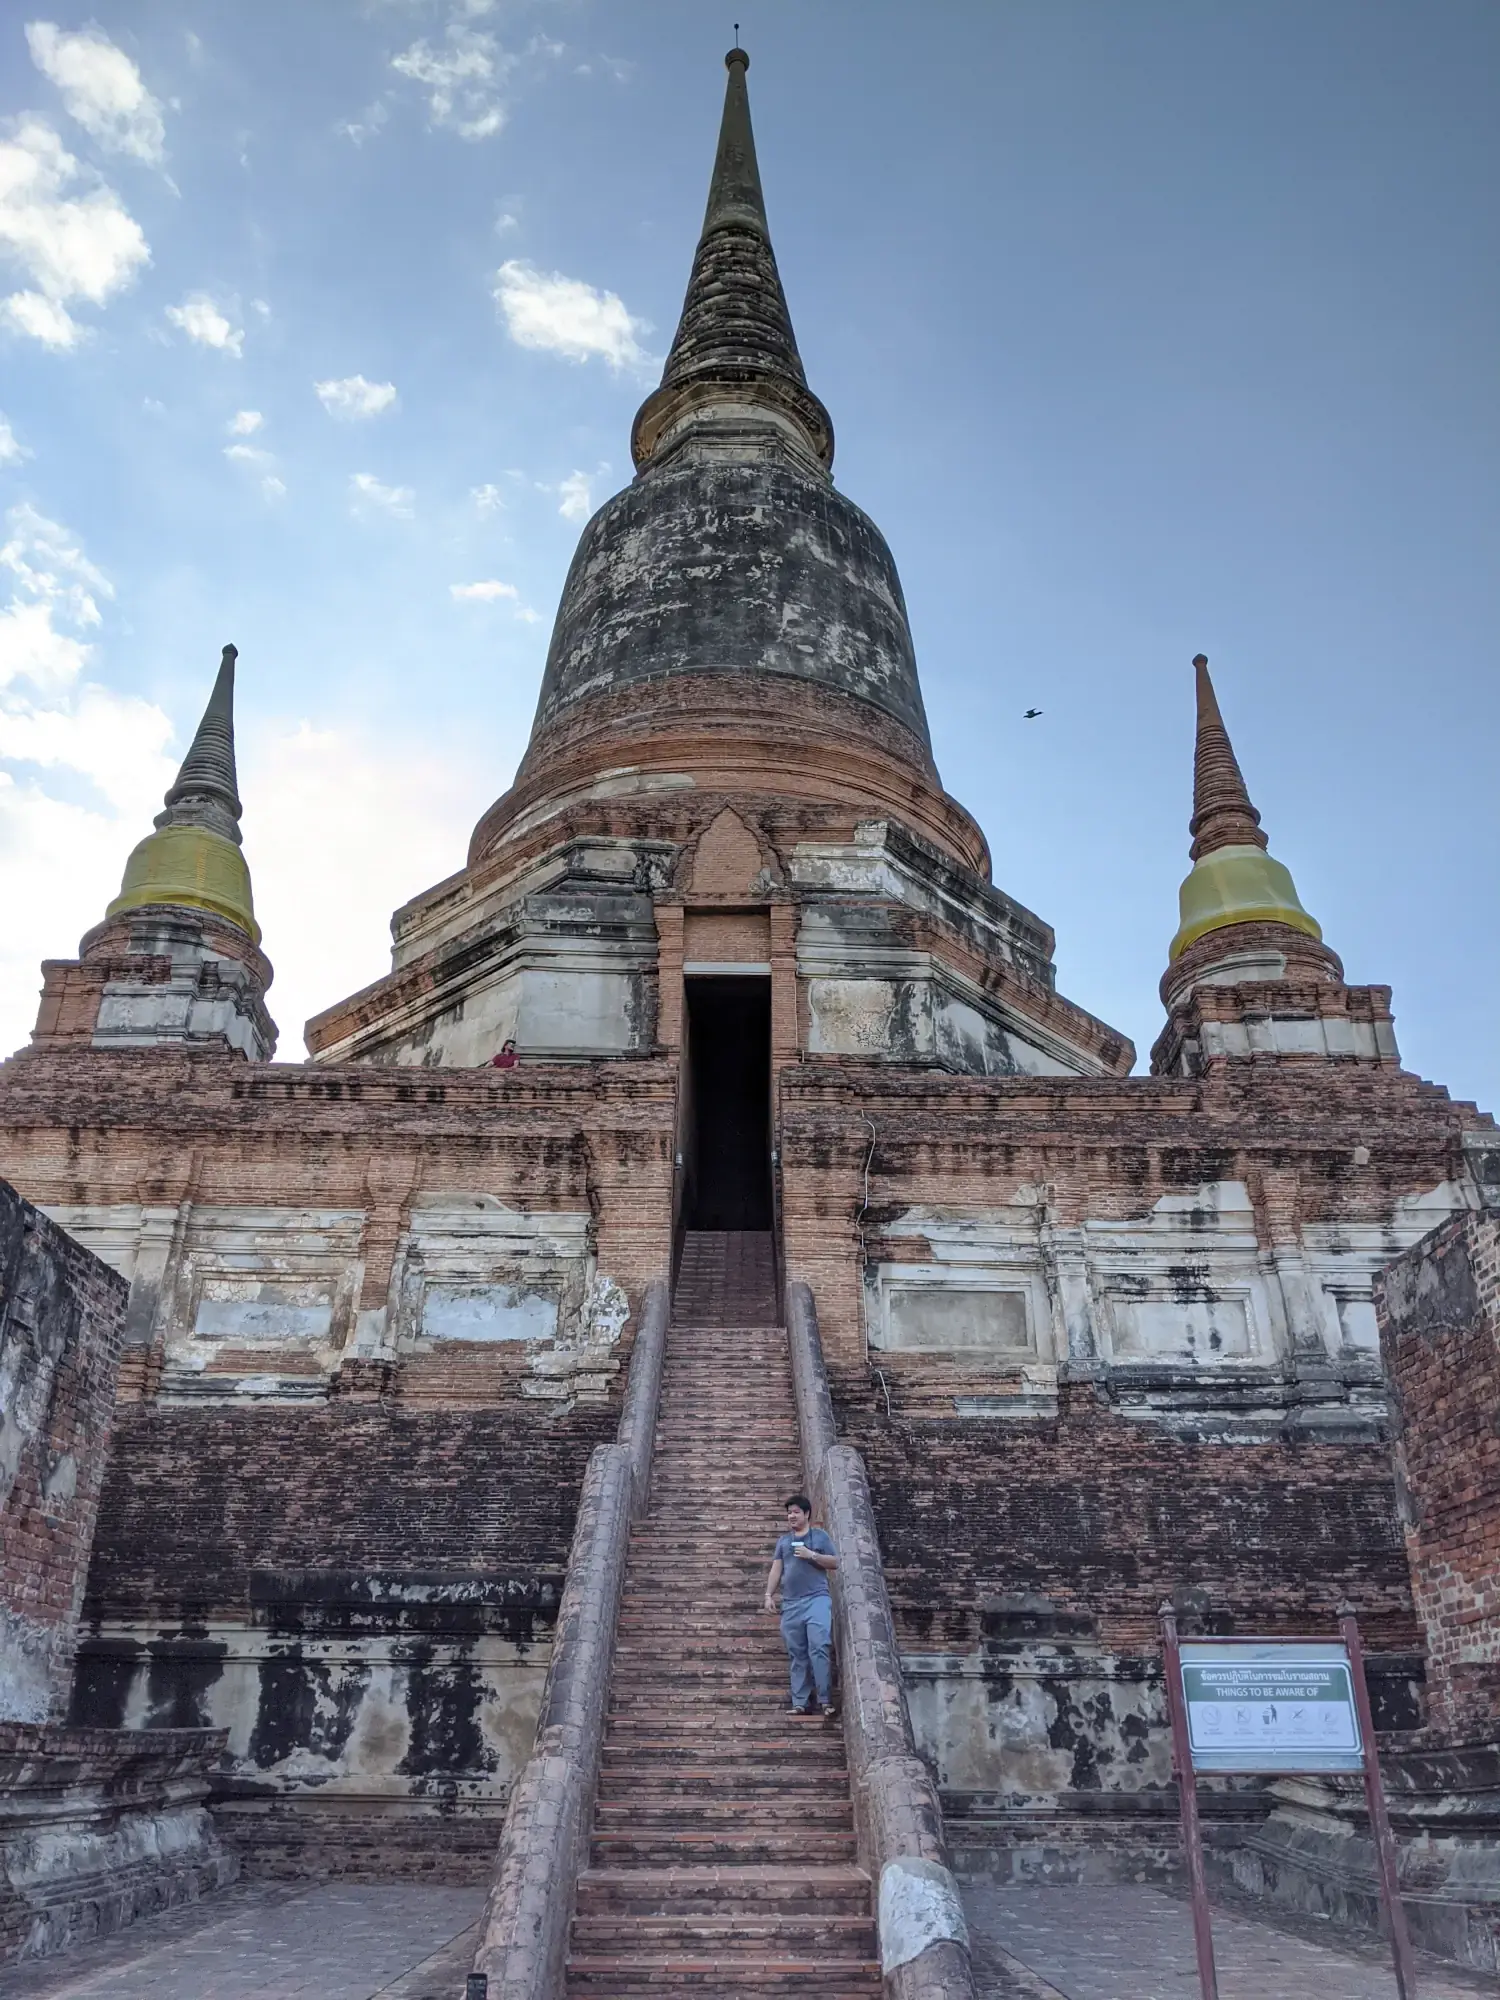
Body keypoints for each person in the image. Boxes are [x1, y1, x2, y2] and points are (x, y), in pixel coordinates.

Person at [763, 1493, 838, 1718]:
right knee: (797, 1653)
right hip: (791, 1604)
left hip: (817, 1599)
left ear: (806, 1514)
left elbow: (835, 1562)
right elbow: (777, 1569)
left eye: (796, 1512)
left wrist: (811, 1555)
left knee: (819, 1647)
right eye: (789, 1513)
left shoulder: (820, 1536)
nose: (791, 1516)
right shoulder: (784, 1542)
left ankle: (825, 1700)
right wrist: (768, 1594)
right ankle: (800, 1703)